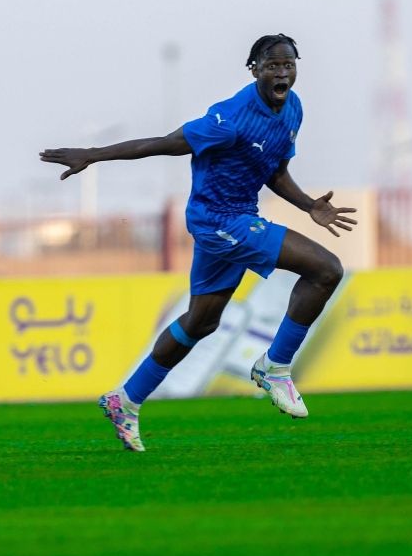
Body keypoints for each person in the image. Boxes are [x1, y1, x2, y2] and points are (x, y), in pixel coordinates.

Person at [40, 34, 356, 452]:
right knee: (326, 268)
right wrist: (95, 155)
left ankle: (126, 399)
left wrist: (308, 204)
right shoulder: (230, 117)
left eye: (288, 64)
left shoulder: (292, 109)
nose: (282, 72)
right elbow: (165, 143)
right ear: (255, 70)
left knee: (201, 322)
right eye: (272, 65)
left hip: (237, 218)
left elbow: (274, 170)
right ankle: (275, 365)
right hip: (219, 222)